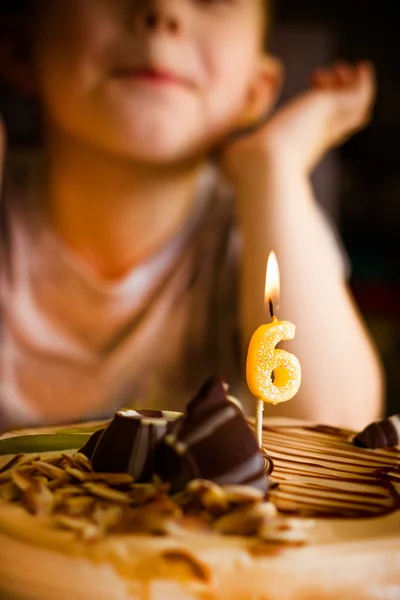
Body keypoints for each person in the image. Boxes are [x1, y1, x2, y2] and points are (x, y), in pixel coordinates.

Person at [0, 0, 383, 432]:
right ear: (18, 49)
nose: (163, 10)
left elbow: (334, 426)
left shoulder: (266, 221)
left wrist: (274, 164)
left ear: (256, 89)